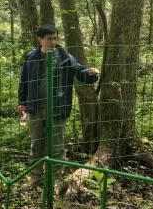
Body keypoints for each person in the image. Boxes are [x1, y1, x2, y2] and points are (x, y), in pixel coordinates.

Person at [18, 24, 100, 182]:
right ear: (40, 39)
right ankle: (35, 177)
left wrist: (90, 73)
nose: (53, 42)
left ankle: (56, 179)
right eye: (49, 39)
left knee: (57, 145)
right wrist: (22, 103)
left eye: (55, 38)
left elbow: (79, 71)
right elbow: (24, 81)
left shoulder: (64, 56)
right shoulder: (31, 57)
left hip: (57, 108)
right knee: (36, 145)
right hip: (35, 108)